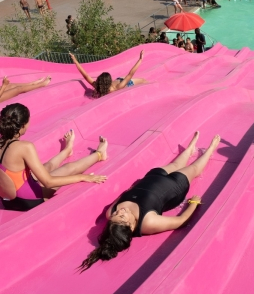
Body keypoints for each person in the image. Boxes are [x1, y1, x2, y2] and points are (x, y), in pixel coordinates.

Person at [79, 132, 220, 270]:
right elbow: (180, 221)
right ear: (131, 226)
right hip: (175, 187)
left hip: (153, 177)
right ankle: (210, 149)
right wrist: (193, 204)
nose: (120, 211)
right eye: (122, 215)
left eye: (116, 215)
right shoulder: (147, 222)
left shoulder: (111, 214)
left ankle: (190, 149)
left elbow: (125, 193)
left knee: (176, 164)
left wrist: (136, 186)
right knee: (193, 169)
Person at [0, 103, 107, 211]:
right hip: (28, 201)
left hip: (7, 201)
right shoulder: (25, 147)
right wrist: (83, 177)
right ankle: (99, 154)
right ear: (23, 125)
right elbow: (48, 182)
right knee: (68, 168)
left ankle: (66, 151)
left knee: (45, 167)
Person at [69, 51, 147, 97]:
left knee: (137, 79)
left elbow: (86, 76)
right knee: (143, 81)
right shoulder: (118, 87)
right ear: (109, 81)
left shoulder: (98, 86)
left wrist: (76, 61)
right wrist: (140, 59)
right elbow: (130, 74)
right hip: (125, 82)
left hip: (120, 80)